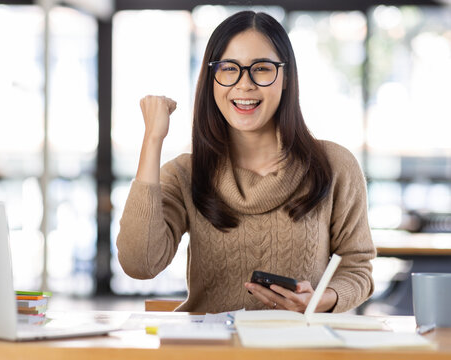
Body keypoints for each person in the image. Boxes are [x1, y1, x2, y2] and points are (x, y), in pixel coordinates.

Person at [116, 10, 375, 314]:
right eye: (229, 69)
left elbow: (358, 268)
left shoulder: (334, 165)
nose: (244, 85)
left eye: (262, 69)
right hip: (212, 348)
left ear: (286, 76)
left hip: (300, 349)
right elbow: (139, 264)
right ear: (212, 78)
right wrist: (152, 140)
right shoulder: (186, 173)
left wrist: (321, 299)